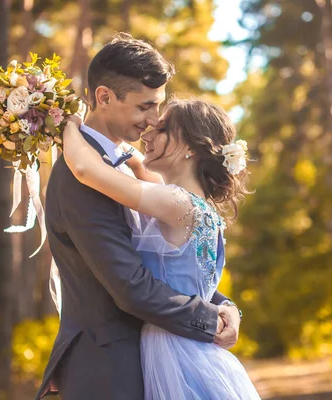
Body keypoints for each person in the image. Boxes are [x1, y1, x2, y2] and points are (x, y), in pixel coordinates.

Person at [35, 34, 242, 400]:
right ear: (104, 97)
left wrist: (223, 305)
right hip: (108, 366)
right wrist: (213, 316)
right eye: (146, 108)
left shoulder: (137, 179)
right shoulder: (83, 177)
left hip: (155, 357)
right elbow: (132, 285)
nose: (152, 122)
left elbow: (171, 268)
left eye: (160, 114)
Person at [62, 97, 260, 399]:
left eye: (163, 128)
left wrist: (69, 126)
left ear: (192, 148)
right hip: (193, 347)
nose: (148, 133)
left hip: (174, 353)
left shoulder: (177, 203)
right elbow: (140, 169)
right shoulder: (198, 207)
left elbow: (85, 169)